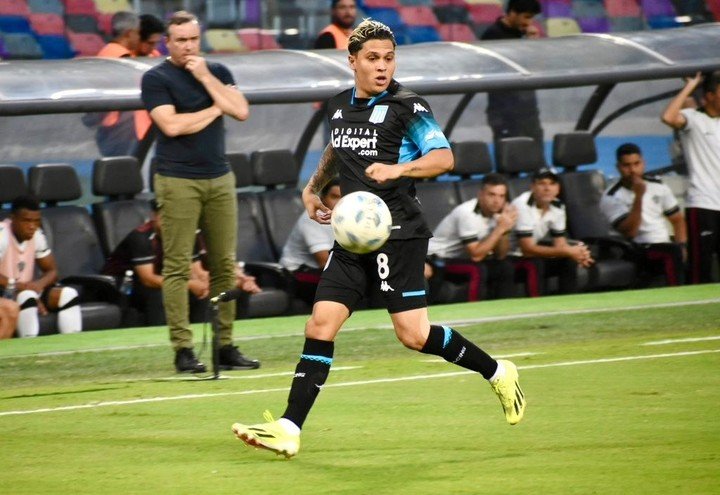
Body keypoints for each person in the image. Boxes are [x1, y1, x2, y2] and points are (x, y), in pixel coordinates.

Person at [231, 19, 526, 459]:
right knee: (320, 324)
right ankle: (289, 428)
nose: (382, 66)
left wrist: (398, 169)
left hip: (399, 234)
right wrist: (312, 188)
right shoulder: (337, 106)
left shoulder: (408, 106)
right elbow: (338, 149)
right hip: (353, 237)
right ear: (352, 61)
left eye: (389, 58)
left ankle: (498, 371)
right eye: (372, 58)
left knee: (413, 335)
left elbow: (443, 158)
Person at [141, 11, 250, 373]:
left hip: (220, 177)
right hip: (177, 179)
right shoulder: (156, 78)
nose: (188, 46)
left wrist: (205, 77)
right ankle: (183, 349)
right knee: (177, 265)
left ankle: (225, 345)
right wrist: (217, 107)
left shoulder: (217, 71)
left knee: (224, 264)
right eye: (180, 40)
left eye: (193, 39)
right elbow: (171, 126)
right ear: (167, 43)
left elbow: (241, 111)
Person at [102, 200, 260, 372]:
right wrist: (191, 284)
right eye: (167, 217)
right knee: (163, 294)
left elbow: (197, 272)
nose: (173, 222)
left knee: (211, 291)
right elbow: (148, 278)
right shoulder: (140, 237)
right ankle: (170, 349)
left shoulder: (185, 234)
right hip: (125, 288)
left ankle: (217, 348)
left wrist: (236, 280)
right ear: (154, 216)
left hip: (166, 281)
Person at [661, 71, 720, 284]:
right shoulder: (694, 119)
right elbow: (668, 117)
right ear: (710, 95)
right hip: (704, 205)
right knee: (700, 268)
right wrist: (690, 86)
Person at [600, 143, 687, 286]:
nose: (633, 170)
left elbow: (677, 220)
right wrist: (639, 196)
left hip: (663, 244)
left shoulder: (658, 186)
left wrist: (682, 245)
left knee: (683, 251)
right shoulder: (611, 197)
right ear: (618, 167)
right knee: (672, 252)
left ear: (643, 163)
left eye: (636, 164)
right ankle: (677, 293)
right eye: (627, 165)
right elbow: (630, 232)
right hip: (636, 247)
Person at [0, 196, 82, 338]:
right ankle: (29, 344)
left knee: (68, 294)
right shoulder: (2, 233)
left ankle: (73, 344)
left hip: (26, 289)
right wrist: (17, 286)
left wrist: (38, 285)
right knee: (27, 297)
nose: (32, 226)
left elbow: (52, 271)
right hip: (5, 292)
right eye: (26, 221)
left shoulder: (36, 234)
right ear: (13, 218)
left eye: (36, 221)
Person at [427, 173, 518, 300]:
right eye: (491, 195)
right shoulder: (467, 213)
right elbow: (476, 255)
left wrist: (504, 231)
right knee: (477, 269)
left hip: (462, 258)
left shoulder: (499, 215)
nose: (497, 201)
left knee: (505, 267)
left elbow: (500, 255)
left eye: (501, 196)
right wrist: (500, 229)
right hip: (438, 259)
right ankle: (475, 309)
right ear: (480, 194)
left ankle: (504, 307)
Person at [510, 167, 594, 295]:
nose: (547, 188)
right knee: (536, 264)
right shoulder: (522, 204)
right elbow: (527, 249)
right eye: (542, 183)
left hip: (531, 255)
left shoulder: (558, 206)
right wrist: (569, 251)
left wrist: (578, 253)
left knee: (568, 260)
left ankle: (569, 301)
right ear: (532, 187)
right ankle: (538, 304)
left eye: (552, 184)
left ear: (558, 188)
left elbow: (560, 244)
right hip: (512, 257)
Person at [481, 0, 543, 162]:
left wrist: (534, 45)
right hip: (503, 107)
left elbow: (535, 67)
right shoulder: (493, 35)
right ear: (512, 13)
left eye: (532, 18)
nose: (529, 22)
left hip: (527, 104)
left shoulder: (524, 34)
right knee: (508, 153)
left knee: (535, 148)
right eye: (526, 17)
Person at [89, 11, 142, 157]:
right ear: (129, 33)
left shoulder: (106, 52)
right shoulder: (123, 58)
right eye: (138, 33)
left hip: (110, 128)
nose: (139, 38)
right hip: (121, 129)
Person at [280, 179, 340, 305]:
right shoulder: (314, 217)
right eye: (334, 197)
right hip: (297, 273)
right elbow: (324, 262)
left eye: (343, 197)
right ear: (322, 198)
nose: (339, 202)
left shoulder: (349, 217)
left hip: (323, 270)